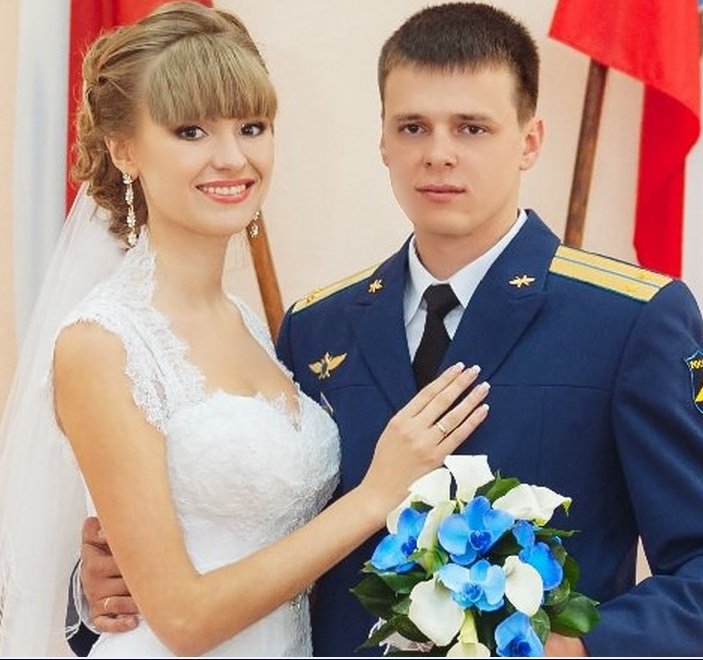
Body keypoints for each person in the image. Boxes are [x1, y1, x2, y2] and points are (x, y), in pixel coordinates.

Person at [78, 1, 703, 657]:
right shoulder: (315, 328)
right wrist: (105, 585)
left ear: (529, 140)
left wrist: (577, 648)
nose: (438, 155)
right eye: (412, 127)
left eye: (471, 128)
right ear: (382, 141)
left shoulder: (629, 319)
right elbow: (258, 523)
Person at [0, 2, 492, 657]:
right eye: (191, 131)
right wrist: (375, 495)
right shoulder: (101, 342)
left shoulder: (257, 328)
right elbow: (181, 617)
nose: (232, 158)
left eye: (251, 127)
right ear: (123, 149)